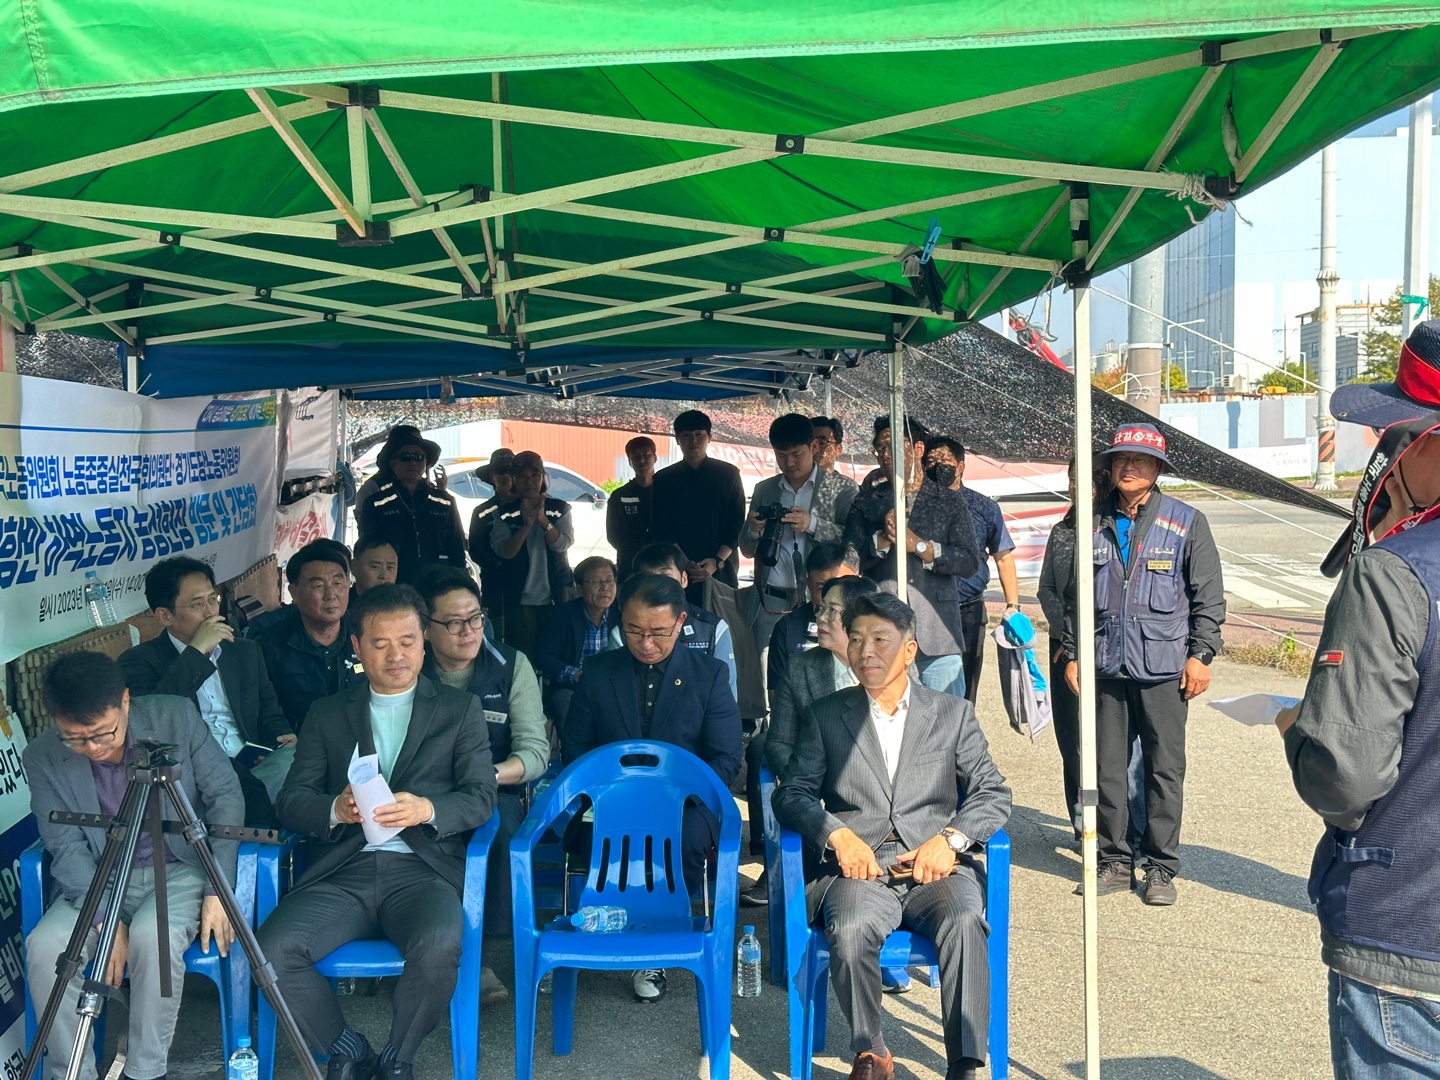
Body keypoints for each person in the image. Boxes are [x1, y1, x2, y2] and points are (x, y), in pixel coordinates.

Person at [1277, 324, 1440, 1077]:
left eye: (1396, 432)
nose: (1387, 449)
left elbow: (1346, 777)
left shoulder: (1396, 575)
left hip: (1407, 933)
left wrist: (1299, 729)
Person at [257, 585, 497, 1080]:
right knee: (271, 951)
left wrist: (427, 808)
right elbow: (292, 800)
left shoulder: (458, 709)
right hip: (342, 871)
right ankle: (348, 1049)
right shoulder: (328, 712)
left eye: (407, 641)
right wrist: (335, 808)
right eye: (380, 644)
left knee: (438, 947)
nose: (396, 656)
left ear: (424, 641)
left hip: (421, 872)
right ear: (357, 647)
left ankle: (396, 1060)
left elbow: (481, 796)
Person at [772, 591, 1011, 1080]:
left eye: (881, 639)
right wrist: (837, 835)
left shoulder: (952, 713)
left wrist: (951, 840)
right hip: (859, 871)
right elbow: (791, 794)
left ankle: (964, 1064)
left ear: (909, 649)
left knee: (965, 919)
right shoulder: (826, 714)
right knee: (851, 928)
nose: (867, 652)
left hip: (935, 869)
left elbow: (993, 792)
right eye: (857, 639)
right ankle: (872, 1051)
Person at [26, 652, 243, 1080]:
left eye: (102, 733)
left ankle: (145, 1071)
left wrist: (218, 888)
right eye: (75, 739)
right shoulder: (42, 756)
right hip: (96, 878)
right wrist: (106, 921)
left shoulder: (175, 718)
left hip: (177, 867)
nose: (93, 748)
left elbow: (226, 798)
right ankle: (72, 1073)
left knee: (153, 935)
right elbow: (65, 846)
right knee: (45, 946)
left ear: (125, 701)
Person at [562, 572, 743, 1005]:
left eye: (658, 632)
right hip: (609, 802)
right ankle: (613, 927)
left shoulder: (708, 675)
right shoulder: (599, 673)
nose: (645, 643)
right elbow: (577, 749)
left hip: (684, 805)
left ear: (680, 622)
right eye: (634, 631)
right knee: (591, 840)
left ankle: (655, 945)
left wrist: (675, 798)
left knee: (683, 842)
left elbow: (726, 758)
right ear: (619, 621)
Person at [1063, 423, 1225, 906]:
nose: (1128, 467)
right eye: (1120, 459)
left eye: (1139, 460)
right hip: (1105, 666)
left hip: (1164, 667)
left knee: (1163, 770)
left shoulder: (1186, 521)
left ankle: (1159, 867)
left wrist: (1201, 654)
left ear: (1157, 469)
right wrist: (1072, 652)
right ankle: (1113, 860)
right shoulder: (1091, 521)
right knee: (1106, 769)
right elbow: (1075, 597)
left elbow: (1208, 596)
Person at [417, 568, 548, 1008]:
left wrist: (486, 776)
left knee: (496, 833)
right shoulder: (409, 665)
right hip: (422, 790)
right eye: (454, 623)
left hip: (495, 789)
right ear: (425, 627)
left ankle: (478, 957)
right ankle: (421, 948)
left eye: (475, 618)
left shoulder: (510, 665)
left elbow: (534, 753)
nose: (469, 631)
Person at [119, 556, 295, 827]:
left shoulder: (243, 651)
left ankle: (242, 815)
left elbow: (269, 711)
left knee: (297, 759)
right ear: (165, 615)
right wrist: (196, 653)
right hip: (196, 778)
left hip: (255, 767)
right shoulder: (138, 661)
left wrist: (280, 739)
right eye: (197, 604)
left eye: (213, 599)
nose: (211, 613)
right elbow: (154, 723)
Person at [842, 416, 983, 698]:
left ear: (918, 449)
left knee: (945, 717)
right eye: (879, 449)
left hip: (937, 634)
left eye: (892, 447)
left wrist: (920, 547)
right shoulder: (867, 501)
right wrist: (881, 540)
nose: (885, 455)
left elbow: (969, 560)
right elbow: (849, 559)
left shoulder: (948, 500)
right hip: (882, 632)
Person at [739, 413, 859, 685]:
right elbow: (745, 549)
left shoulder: (841, 489)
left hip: (823, 600)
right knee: (770, 679)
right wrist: (754, 530)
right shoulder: (765, 490)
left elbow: (854, 544)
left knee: (829, 676)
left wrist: (812, 524)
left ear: (814, 447)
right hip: (772, 601)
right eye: (781, 456)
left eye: (796, 454)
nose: (789, 463)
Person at [924, 434, 1021, 704]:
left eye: (944, 460)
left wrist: (1013, 605)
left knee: (965, 688)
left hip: (968, 608)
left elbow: (1003, 557)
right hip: (927, 607)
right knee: (926, 686)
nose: (937, 466)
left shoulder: (984, 507)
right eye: (930, 461)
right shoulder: (916, 505)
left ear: (960, 466)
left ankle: (962, 729)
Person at [766, 575, 880, 782]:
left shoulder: (891, 664)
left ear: (860, 618)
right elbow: (779, 743)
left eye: (832, 611)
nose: (821, 617)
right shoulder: (799, 668)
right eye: (821, 608)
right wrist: (805, 783)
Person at [254, 541, 363, 733]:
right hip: (297, 744)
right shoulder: (269, 645)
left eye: (338, 583)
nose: (331, 595)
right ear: (294, 592)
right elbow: (263, 708)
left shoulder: (366, 634)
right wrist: (284, 738)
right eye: (318, 586)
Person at [613, 542, 737, 699]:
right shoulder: (622, 632)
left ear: (684, 579)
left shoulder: (714, 629)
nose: (659, 587)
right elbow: (614, 692)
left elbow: (727, 695)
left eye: (666, 577)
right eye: (650, 579)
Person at [651, 410, 746, 605]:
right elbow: (660, 526)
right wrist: (684, 562)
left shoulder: (729, 474)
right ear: (677, 439)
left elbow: (737, 523)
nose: (693, 441)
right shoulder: (664, 479)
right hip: (678, 568)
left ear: (709, 437)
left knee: (722, 618)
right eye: (686, 435)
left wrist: (717, 561)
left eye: (699, 434)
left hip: (721, 567)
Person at [489, 450, 575, 661]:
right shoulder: (504, 513)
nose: (529, 481)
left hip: (556, 595)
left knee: (556, 656)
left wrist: (544, 521)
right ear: (514, 479)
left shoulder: (559, 508)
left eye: (535, 475)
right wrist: (526, 525)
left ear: (543, 477)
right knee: (522, 659)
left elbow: (562, 544)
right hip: (519, 599)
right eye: (522, 476)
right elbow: (505, 552)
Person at [358, 425, 466, 586]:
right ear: (393, 464)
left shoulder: (445, 501)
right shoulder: (375, 503)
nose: (413, 463)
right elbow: (368, 550)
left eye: (418, 457)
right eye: (406, 458)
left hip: (437, 584)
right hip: (394, 585)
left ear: (426, 463)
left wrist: (461, 583)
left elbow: (457, 548)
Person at [535, 555, 619, 734]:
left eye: (609, 580)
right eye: (596, 581)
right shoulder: (563, 615)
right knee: (563, 701)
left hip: (614, 685)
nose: (605, 587)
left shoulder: (623, 614)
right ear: (579, 589)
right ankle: (577, 751)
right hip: (572, 687)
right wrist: (574, 675)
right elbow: (543, 655)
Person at [766, 542, 861, 697]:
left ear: (858, 580)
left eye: (841, 585)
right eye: (822, 587)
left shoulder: (882, 627)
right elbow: (778, 699)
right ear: (809, 585)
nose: (832, 594)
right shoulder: (788, 629)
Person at [467, 448, 517, 628]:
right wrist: (499, 566)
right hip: (495, 584)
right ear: (492, 477)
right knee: (495, 631)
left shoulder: (532, 507)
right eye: (500, 471)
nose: (506, 476)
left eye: (511, 471)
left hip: (530, 589)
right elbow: (475, 550)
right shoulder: (482, 512)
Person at [606, 436, 657, 581]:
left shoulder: (667, 491)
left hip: (661, 564)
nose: (642, 460)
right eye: (636, 457)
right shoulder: (620, 496)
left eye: (646, 455)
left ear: (655, 457)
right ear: (629, 461)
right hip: (629, 566)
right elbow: (613, 535)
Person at [352, 536, 399, 600]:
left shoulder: (404, 604)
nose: (384, 575)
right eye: (375, 567)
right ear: (354, 567)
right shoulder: (342, 604)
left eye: (390, 567)